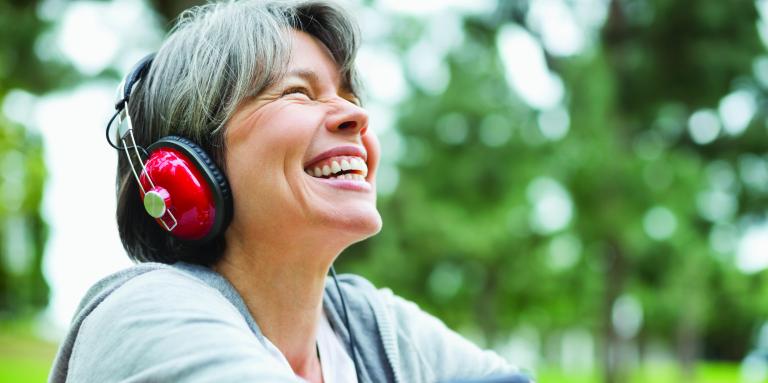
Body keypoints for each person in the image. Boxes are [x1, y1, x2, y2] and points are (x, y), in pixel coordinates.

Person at [49, 1, 523, 382]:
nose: (356, 118)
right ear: (187, 169)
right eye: (297, 92)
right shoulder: (142, 315)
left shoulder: (373, 324)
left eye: (352, 98)